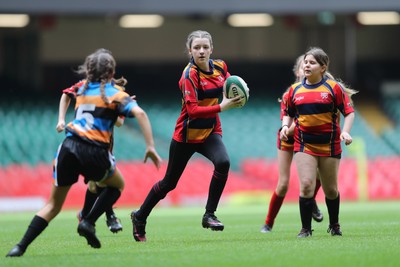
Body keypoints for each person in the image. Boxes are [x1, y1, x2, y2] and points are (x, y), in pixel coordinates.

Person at [6, 48, 162, 257]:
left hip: (68, 147)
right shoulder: (116, 94)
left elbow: (68, 97)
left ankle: (20, 247)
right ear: (111, 72)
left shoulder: (81, 89)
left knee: (52, 206)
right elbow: (140, 113)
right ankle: (88, 221)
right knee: (117, 185)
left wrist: (62, 119)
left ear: (88, 70)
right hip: (94, 150)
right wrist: (150, 146)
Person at [130, 30, 244, 242]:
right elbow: (192, 111)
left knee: (223, 162)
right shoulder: (189, 75)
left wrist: (239, 94)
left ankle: (209, 214)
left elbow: (231, 85)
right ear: (190, 50)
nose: (201, 51)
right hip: (187, 135)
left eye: (205, 47)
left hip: (210, 131)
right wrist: (223, 106)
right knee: (168, 184)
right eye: (196, 48)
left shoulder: (220, 67)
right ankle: (139, 216)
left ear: (211, 49)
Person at [280, 47, 356, 238]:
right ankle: (305, 229)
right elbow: (288, 114)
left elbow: (349, 112)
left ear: (323, 68)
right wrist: (284, 127)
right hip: (304, 144)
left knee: (331, 189)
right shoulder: (294, 90)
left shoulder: (333, 88)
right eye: (305, 62)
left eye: (312, 62)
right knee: (306, 184)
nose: (307, 65)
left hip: (330, 145)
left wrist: (345, 132)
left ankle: (334, 225)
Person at [56, 76, 130, 234]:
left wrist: (115, 110)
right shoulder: (84, 85)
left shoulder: (117, 91)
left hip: (103, 144)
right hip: (84, 142)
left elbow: (119, 123)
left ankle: (86, 215)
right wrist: (61, 119)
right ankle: (108, 216)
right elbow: (66, 94)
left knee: (98, 183)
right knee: (98, 182)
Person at [260, 55, 324, 234]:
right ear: (298, 71)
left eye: (310, 65)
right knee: (283, 184)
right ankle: (268, 223)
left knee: (318, 175)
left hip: (308, 136)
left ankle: (310, 202)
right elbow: (287, 119)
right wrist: (286, 129)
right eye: (304, 66)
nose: (307, 69)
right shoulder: (291, 93)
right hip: (289, 136)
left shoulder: (320, 90)